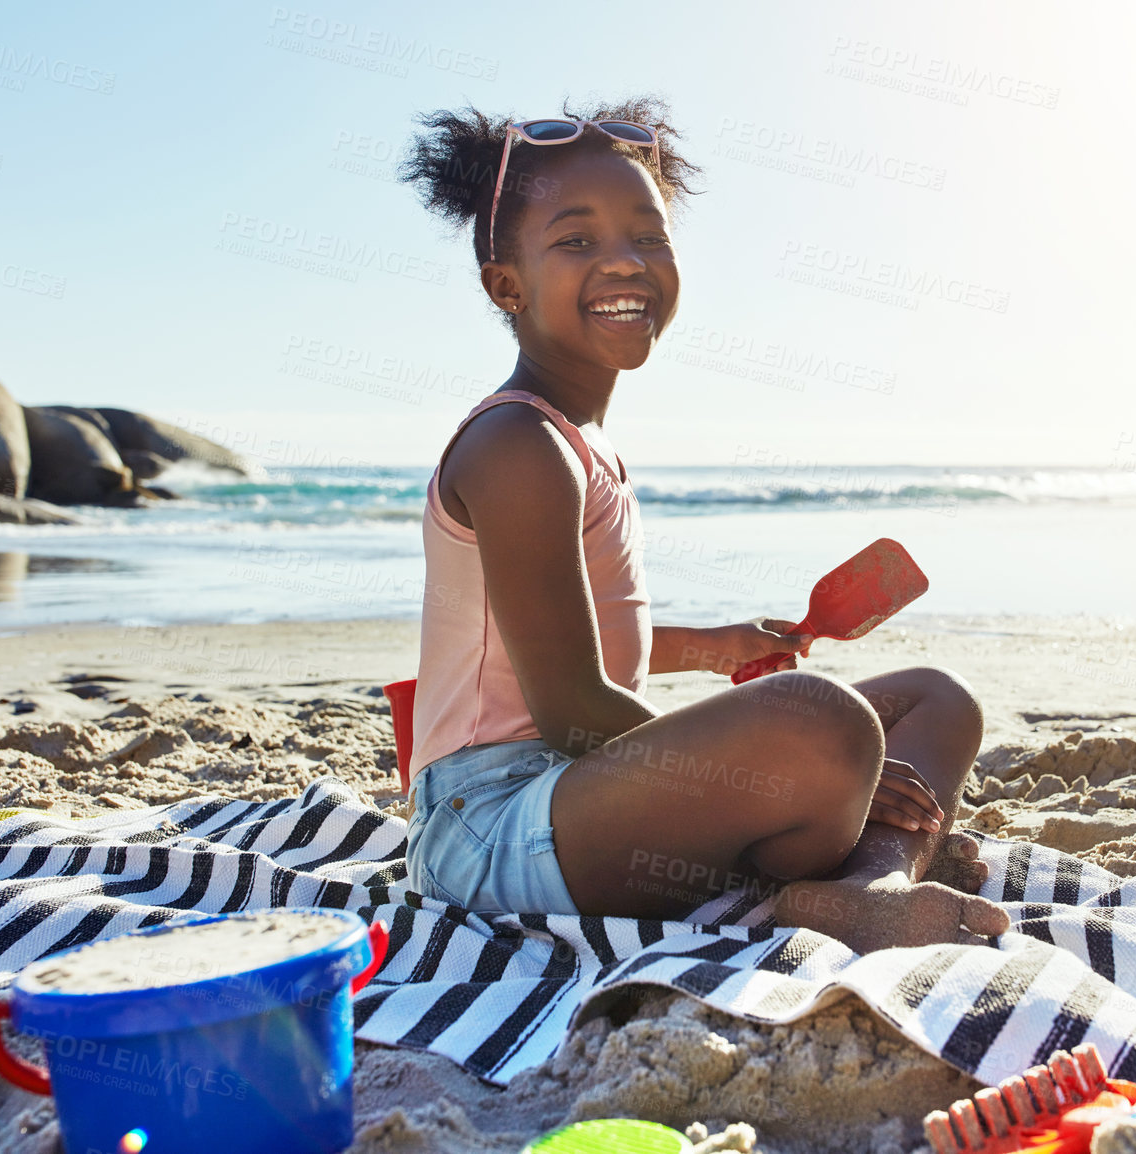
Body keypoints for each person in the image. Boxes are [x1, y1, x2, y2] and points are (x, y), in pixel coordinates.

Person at [397, 98, 1008, 952]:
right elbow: (571, 706)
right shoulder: (519, 445)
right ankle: (841, 841)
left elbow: (582, 641)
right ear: (508, 285)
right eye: (577, 241)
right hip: (491, 829)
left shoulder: (579, 440)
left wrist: (711, 647)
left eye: (648, 237)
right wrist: (788, 759)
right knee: (821, 725)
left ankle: (867, 886)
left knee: (938, 700)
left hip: (577, 793)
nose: (623, 263)